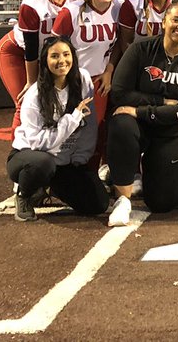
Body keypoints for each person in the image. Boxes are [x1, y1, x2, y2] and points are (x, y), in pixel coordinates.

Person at [106, 0, 178, 225]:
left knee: (162, 204)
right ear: (164, 22)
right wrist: (161, 101)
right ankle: (122, 199)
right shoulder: (139, 49)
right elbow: (119, 93)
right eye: (175, 20)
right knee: (121, 122)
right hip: (139, 125)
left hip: (172, 131)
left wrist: (142, 110)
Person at [7, 36, 108, 221]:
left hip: (64, 161)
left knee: (98, 204)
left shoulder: (83, 79)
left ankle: (50, 187)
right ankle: (25, 195)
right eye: (54, 56)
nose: (62, 61)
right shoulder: (35, 94)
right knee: (43, 164)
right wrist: (72, 119)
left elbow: (90, 124)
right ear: (45, 61)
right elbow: (37, 143)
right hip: (30, 156)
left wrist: (80, 157)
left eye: (66, 54)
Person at [0, 0, 79, 131]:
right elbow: (31, 49)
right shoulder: (32, 3)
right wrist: (32, 82)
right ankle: (18, 155)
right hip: (18, 52)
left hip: (49, 56)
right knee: (27, 102)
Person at [51, 0, 122, 162]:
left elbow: (121, 44)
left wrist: (109, 70)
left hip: (100, 79)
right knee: (68, 130)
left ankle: (94, 175)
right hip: (73, 80)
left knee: (97, 131)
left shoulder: (120, 7)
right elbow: (54, 49)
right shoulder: (71, 12)